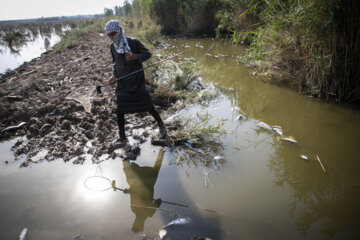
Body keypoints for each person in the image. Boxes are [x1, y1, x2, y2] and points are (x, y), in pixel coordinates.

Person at [104, 20, 166, 141]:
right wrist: (114, 76)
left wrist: (135, 56)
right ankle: (122, 136)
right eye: (109, 35)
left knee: (148, 106)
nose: (111, 37)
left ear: (119, 31)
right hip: (123, 84)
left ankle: (161, 125)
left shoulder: (133, 43)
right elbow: (116, 64)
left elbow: (148, 54)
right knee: (120, 110)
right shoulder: (113, 47)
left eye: (113, 33)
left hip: (137, 81)